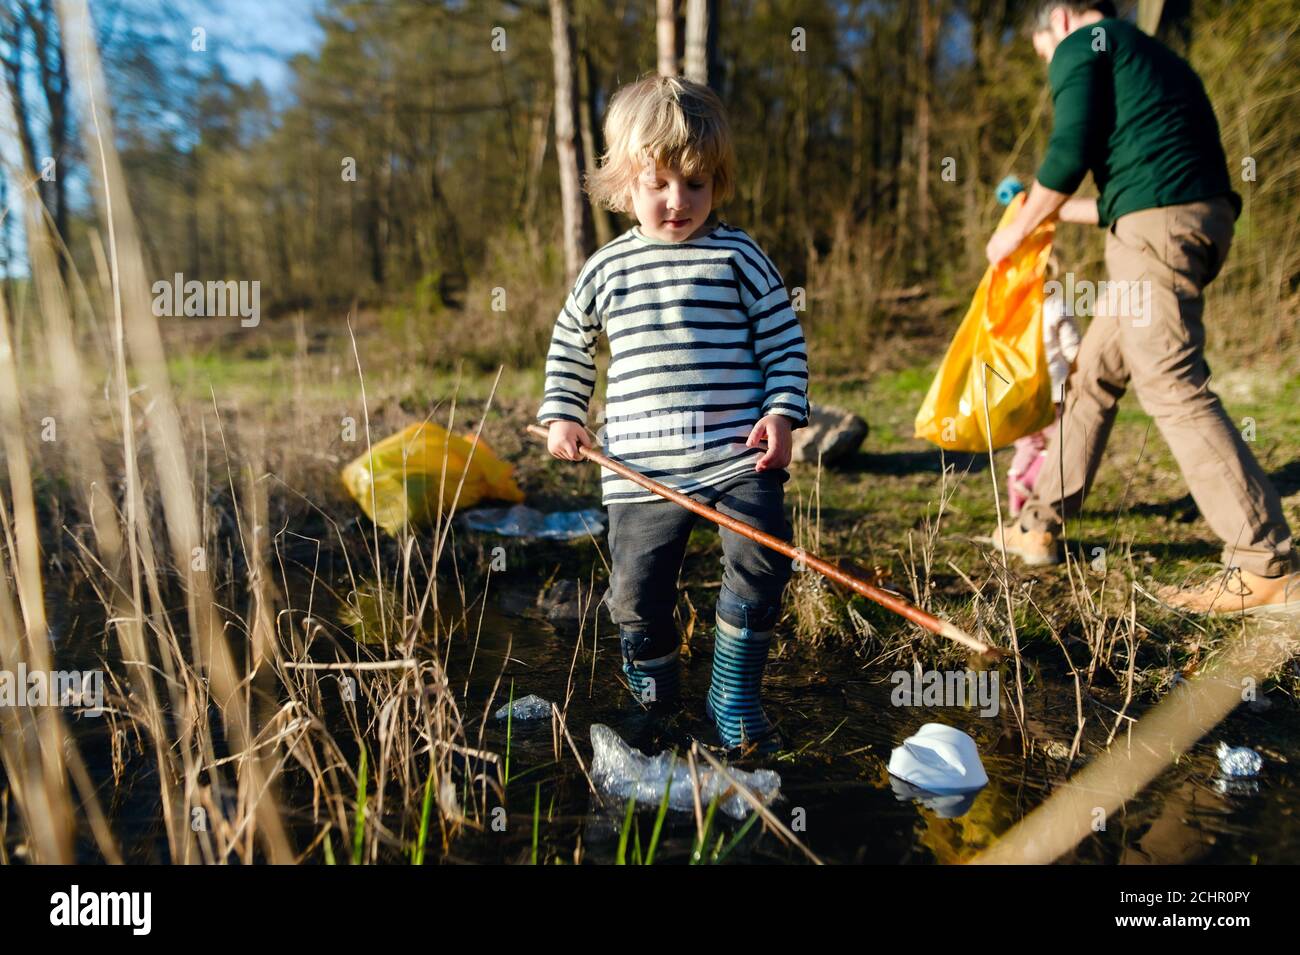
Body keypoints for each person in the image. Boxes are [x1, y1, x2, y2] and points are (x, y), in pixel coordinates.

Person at [983, 1, 1297, 614]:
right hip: (1186, 222)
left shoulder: (1084, 43)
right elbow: (1111, 203)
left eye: (1044, 52)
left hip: (1154, 236)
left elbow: (1069, 153)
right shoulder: (1153, 59)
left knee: (1169, 380)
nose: (1052, 65)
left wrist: (1012, 233)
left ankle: (1265, 561)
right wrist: (1033, 205)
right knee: (1092, 374)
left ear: (1061, 20)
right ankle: (1038, 522)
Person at [537, 74, 810, 750]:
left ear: (718, 182)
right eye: (658, 183)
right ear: (625, 184)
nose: (678, 201)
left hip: (734, 455)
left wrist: (780, 413)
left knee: (759, 561)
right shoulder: (606, 269)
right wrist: (564, 413)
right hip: (638, 464)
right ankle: (654, 700)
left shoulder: (738, 256)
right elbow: (571, 342)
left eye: (696, 183)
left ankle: (734, 691)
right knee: (635, 593)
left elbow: (782, 340)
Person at [1008, 254, 1082, 518]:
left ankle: (1015, 501)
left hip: (1020, 392)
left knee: (1027, 444)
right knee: (1057, 443)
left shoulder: (1013, 311)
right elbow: (1072, 348)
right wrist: (1080, 371)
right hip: (1053, 392)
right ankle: (1027, 484)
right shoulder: (1056, 307)